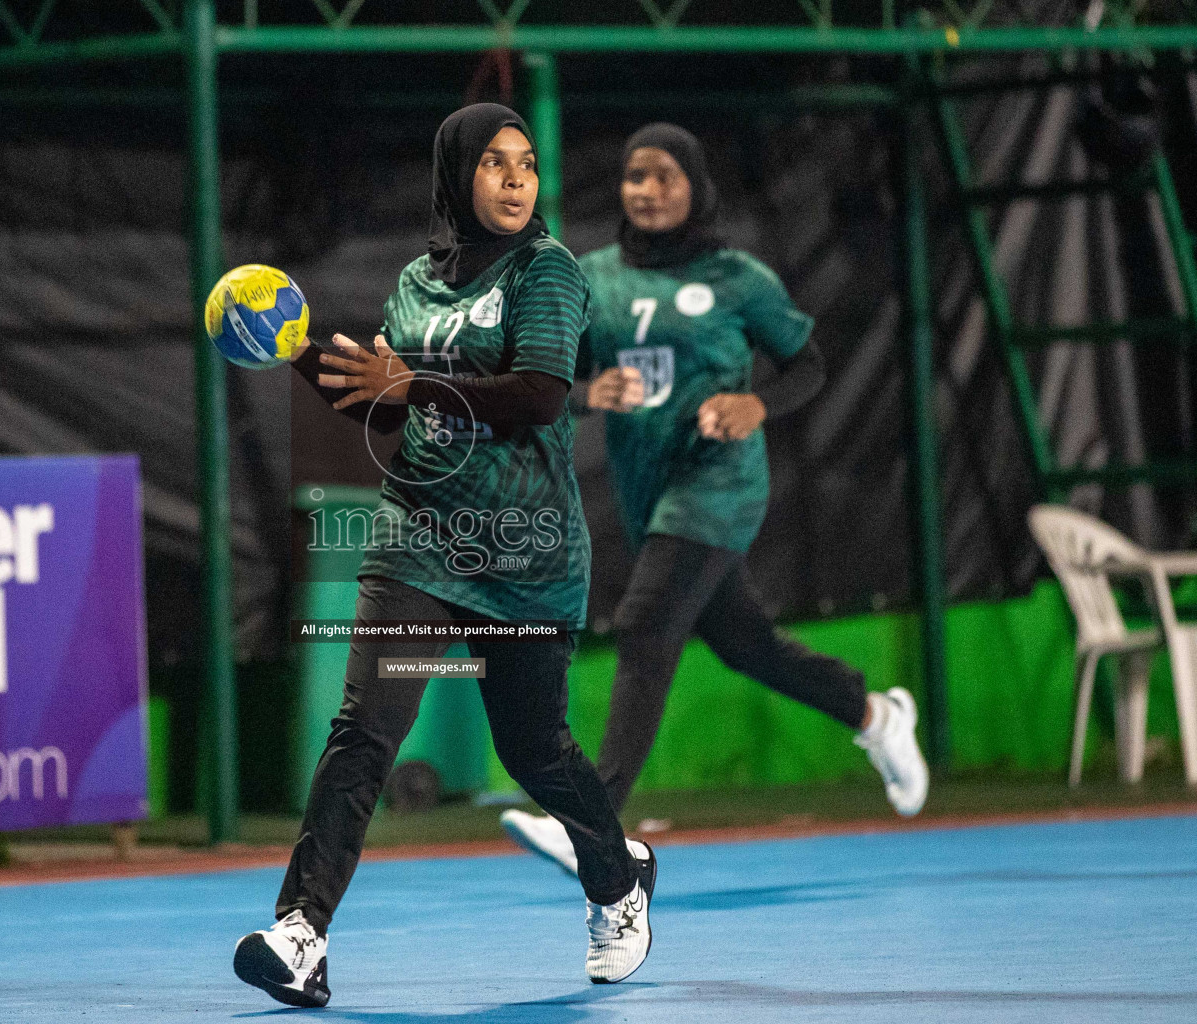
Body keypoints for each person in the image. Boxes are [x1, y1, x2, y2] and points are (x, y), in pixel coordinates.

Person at [232, 104, 656, 1008]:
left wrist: (412, 380)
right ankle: (301, 932)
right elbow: (389, 413)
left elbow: (540, 398)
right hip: (417, 536)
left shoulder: (550, 272)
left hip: (526, 550)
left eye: (529, 164)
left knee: (533, 749)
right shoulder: (415, 282)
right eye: (495, 164)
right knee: (364, 728)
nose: (515, 178)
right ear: (456, 176)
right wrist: (300, 350)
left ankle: (618, 883)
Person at [500, 123, 928, 877]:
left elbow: (807, 363)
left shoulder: (738, 278)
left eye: (667, 176)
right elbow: (539, 381)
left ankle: (589, 823)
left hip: (720, 484)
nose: (650, 190)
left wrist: (756, 406)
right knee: (744, 644)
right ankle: (875, 714)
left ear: (697, 187)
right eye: (637, 176)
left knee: (644, 629)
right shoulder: (588, 277)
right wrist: (587, 392)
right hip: (650, 490)